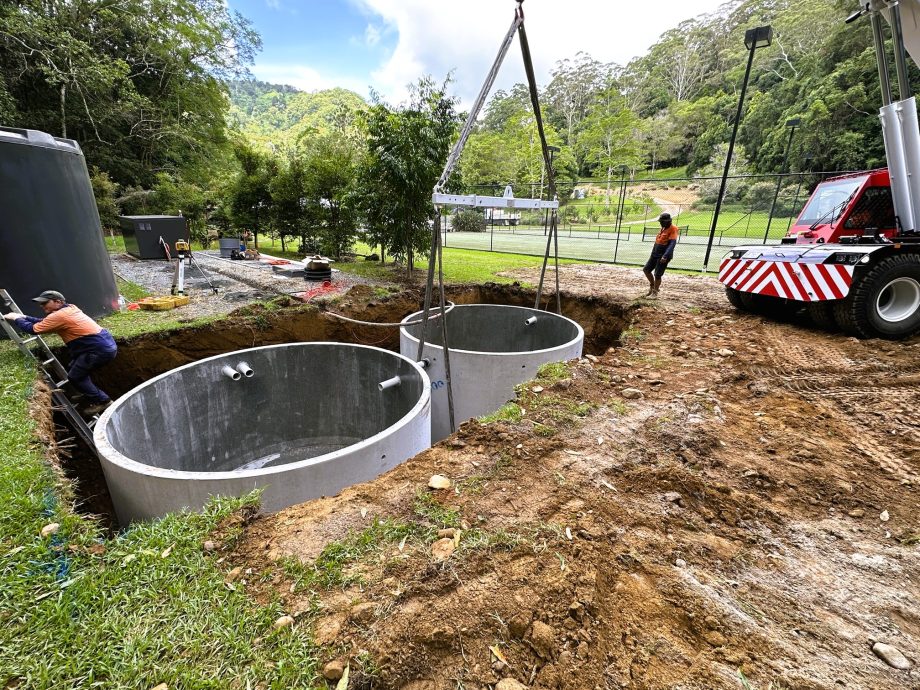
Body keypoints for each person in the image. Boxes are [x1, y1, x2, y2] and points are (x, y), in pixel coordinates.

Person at [3, 290, 117, 416]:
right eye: (41, 304)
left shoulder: (60, 316)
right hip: (102, 344)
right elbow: (44, 321)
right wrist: (24, 317)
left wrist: (16, 318)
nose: (42, 306)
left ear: (58, 302)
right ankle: (88, 392)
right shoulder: (69, 308)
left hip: (96, 349)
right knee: (73, 367)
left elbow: (33, 329)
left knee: (75, 376)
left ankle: (103, 400)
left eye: (45, 303)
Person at [643, 212, 679, 298]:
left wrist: (665, 256)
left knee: (657, 274)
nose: (660, 223)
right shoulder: (663, 228)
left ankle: (655, 292)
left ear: (668, 221)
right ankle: (652, 286)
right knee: (646, 270)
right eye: (660, 221)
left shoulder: (673, 229)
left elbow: (672, 244)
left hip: (663, 255)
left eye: (662, 221)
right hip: (655, 253)